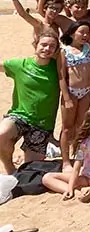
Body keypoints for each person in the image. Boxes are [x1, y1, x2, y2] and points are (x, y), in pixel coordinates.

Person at [0, 28, 63, 174]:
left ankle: (23, 158)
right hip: (19, 116)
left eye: (52, 46)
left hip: (42, 125)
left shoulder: (58, 69)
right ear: (36, 45)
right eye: (43, 45)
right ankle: (10, 169)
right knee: (1, 134)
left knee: (30, 170)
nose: (47, 49)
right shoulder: (20, 65)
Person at [42, 108, 90, 202]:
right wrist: (70, 187)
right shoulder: (84, 141)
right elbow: (77, 166)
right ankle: (74, 192)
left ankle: (88, 190)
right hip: (87, 176)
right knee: (47, 178)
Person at [58, 19, 90, 172]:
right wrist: (66, 97)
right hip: (71, 92)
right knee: (67, 127)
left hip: (86, 91)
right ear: (73, 33)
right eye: (81, 32)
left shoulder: (88, 48)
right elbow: (61, 76)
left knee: (81, 126)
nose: (85, 35)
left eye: (87, 32)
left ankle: (79, 157)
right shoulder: (64, 51)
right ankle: (66, 161)